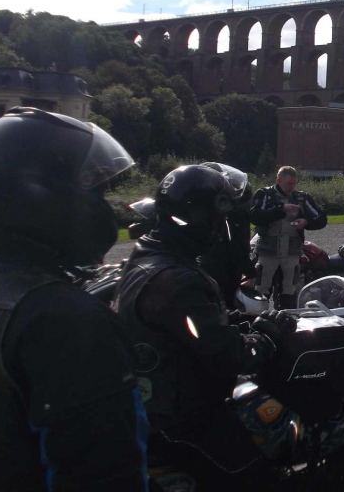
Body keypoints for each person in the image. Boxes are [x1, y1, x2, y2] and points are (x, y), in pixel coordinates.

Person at [0, 107, 149, 491]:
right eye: (95, 192)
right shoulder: (66, 320)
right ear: (43, 196)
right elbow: (107, 473)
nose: (102, 206)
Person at [112, 163, 292, 488]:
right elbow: (228, 357)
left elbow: (191, 326)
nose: (221, 227)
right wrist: (267, 337)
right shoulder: (178, 280)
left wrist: (244, 321)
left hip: (152, 404)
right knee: (263, 473)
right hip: (179, 418)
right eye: (217, 218)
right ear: (198, 217)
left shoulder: (147, 255)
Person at [250, 166, 327, 309]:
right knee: (262, 288)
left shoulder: (301, 198)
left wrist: (306, 222)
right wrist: (280, 210)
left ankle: (285, 317)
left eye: (294, 183)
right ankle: (259, 317)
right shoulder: (265, 194)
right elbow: (254, 216)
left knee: (289, 288)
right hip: (268, 251)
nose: (292, 187)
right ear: (278, 181)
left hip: (292, 252)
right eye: (288, 184)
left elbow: (321, 219)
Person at [196, 161, 255, 309]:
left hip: (203, 267)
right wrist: (250, 272)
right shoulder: (231, 213)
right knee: (226, 308)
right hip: (223, 270)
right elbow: (238, 246)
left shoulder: (201, 209)